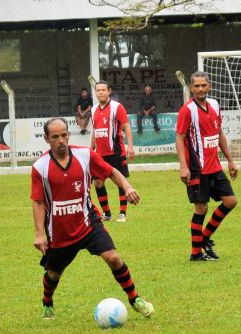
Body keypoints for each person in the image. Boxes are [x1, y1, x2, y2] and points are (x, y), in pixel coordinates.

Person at [31, 118, 154, 320]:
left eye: (64, 135)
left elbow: (112, 171)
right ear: (46, 139)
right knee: (54, 274)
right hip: (60, 231)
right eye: (55, 137)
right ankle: (47, 303)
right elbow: (37, 202)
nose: (61, 140)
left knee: (113, 258)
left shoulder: (85, 155)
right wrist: (39, 234)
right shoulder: (40, 167)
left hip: (88, 223)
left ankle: (135, 299)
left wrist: (127, 187)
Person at [175, 71, 238, 262]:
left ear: (209, 86)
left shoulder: (215, 105)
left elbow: (218, 133)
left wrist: (230, 159)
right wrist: (183, 167)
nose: (201, 89)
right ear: (192, 88)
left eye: (204, 85)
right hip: (197, 169)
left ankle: (204, 238)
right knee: (201, 208)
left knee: (230, 201)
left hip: (215, 167)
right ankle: (196, 254)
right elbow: (180, 137)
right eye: (197, 86)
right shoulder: (187, 110)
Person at [91, 80, 135, 223]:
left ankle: (122, 213)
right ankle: (107, 213)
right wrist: (91, 149)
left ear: (109, 91)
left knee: (121, 182)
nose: (101, 92)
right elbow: (95, 130)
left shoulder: (117, 107)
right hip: (99, 155)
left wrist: (130, 146)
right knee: (98, 182)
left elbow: (126, 126)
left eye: (103, 90)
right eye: (98, 90)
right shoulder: (93, 109)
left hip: (116, 153)